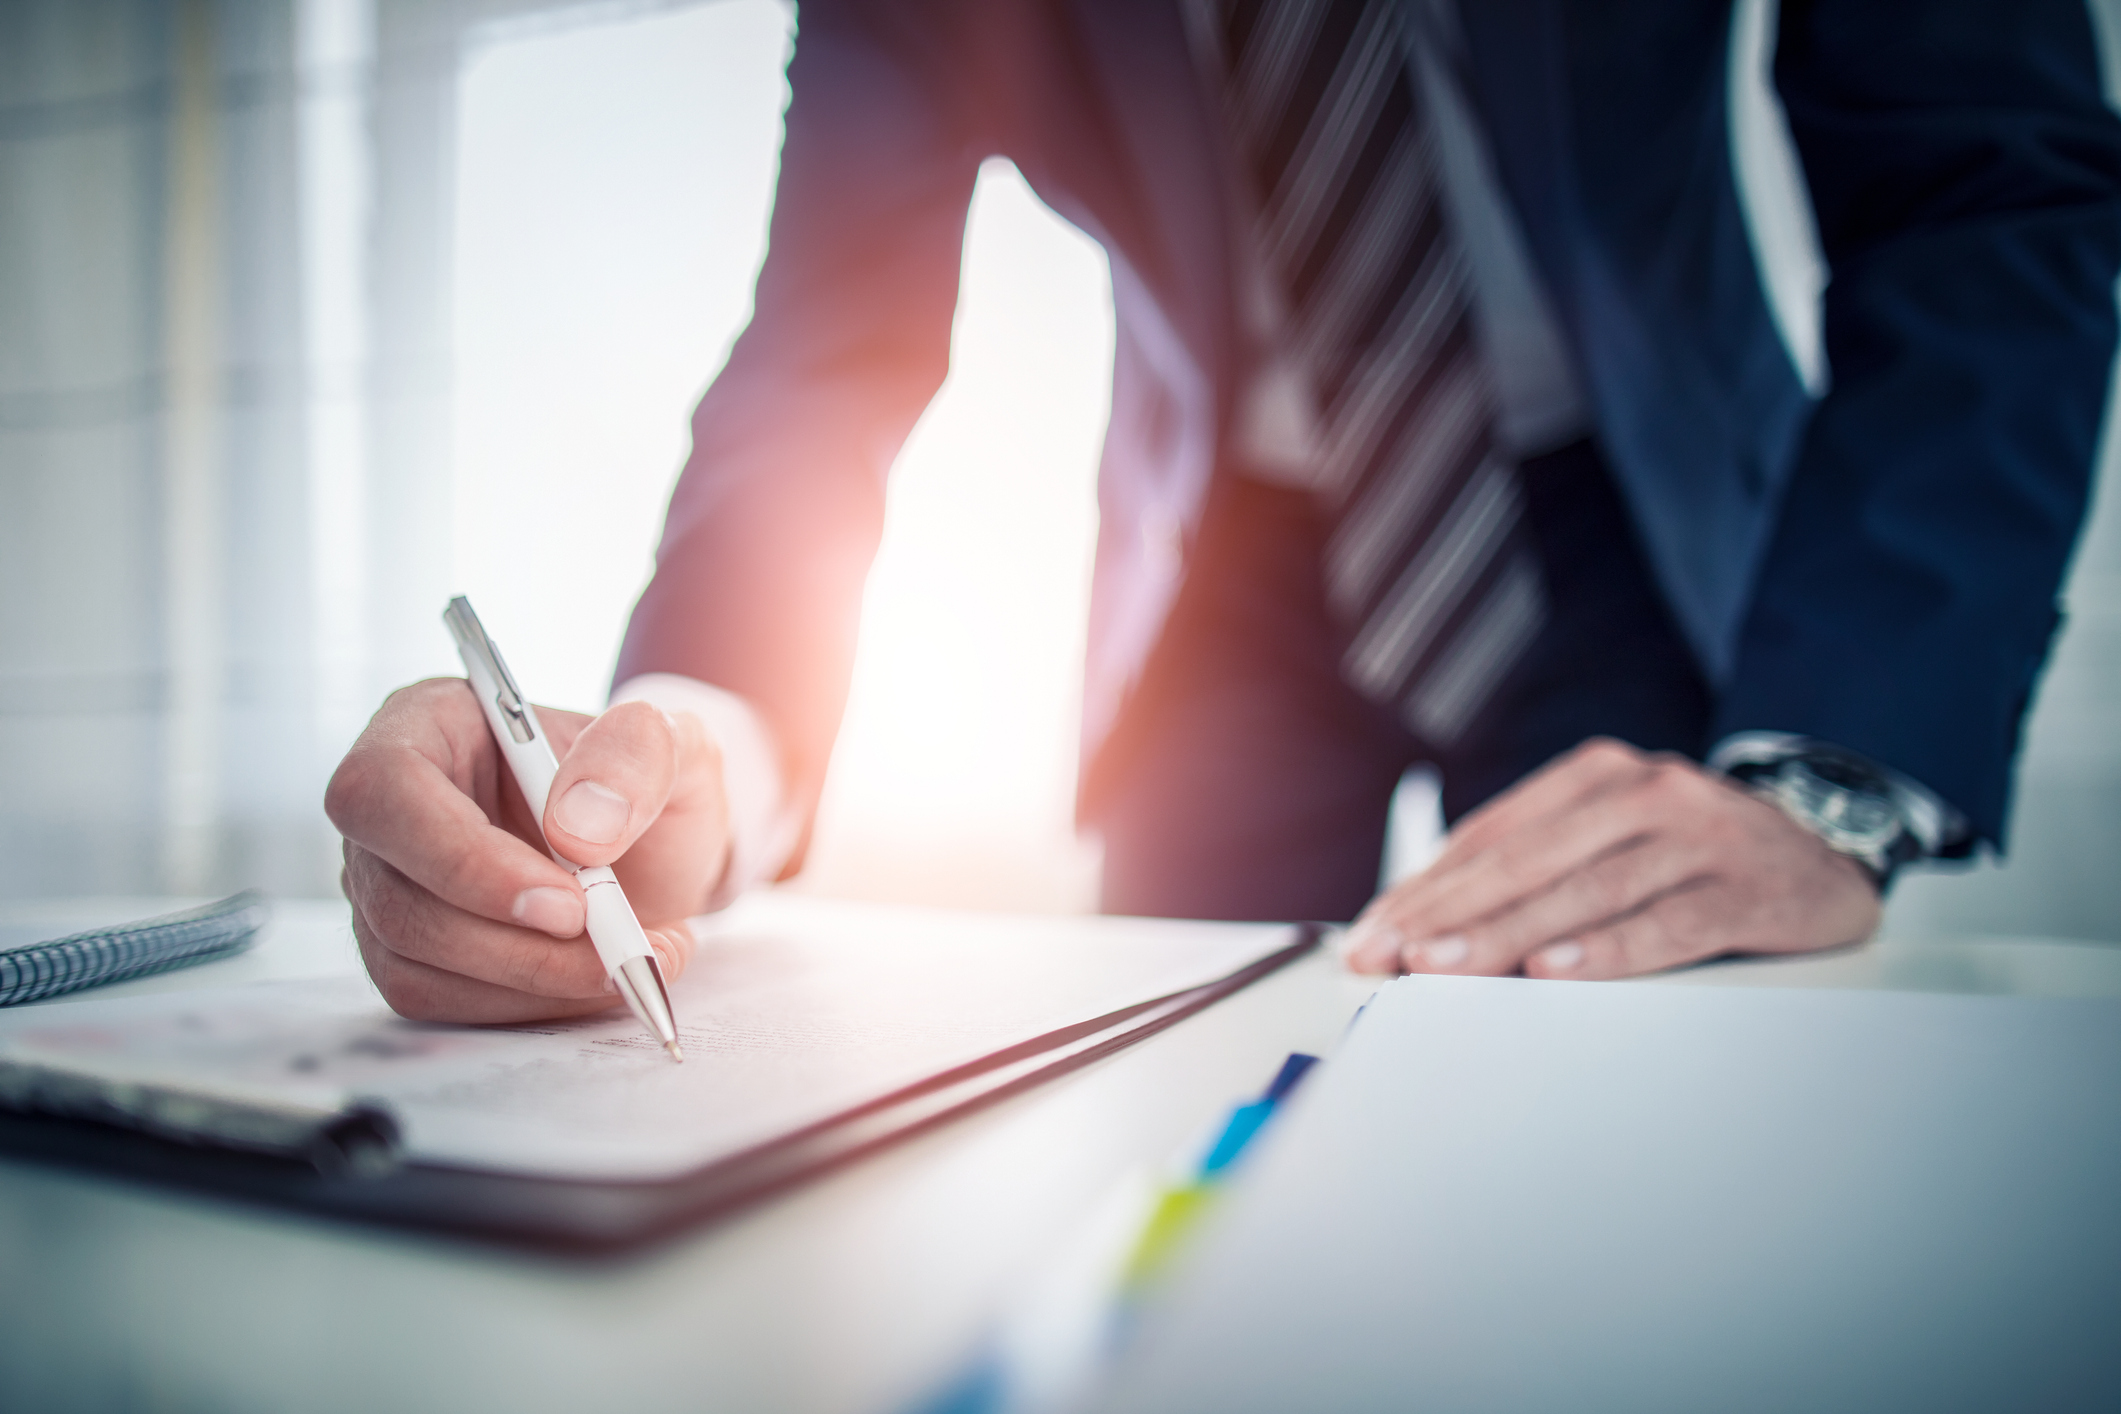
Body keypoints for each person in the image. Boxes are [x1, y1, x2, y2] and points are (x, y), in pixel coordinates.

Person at [327, 0, 2121, 1022]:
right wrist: (691, 754)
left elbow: (1980, 190)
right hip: (1221, 580)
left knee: (1653, 1074)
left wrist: (1822, 773)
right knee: (1165, 1103)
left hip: (1640, 532)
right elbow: (830, 347)